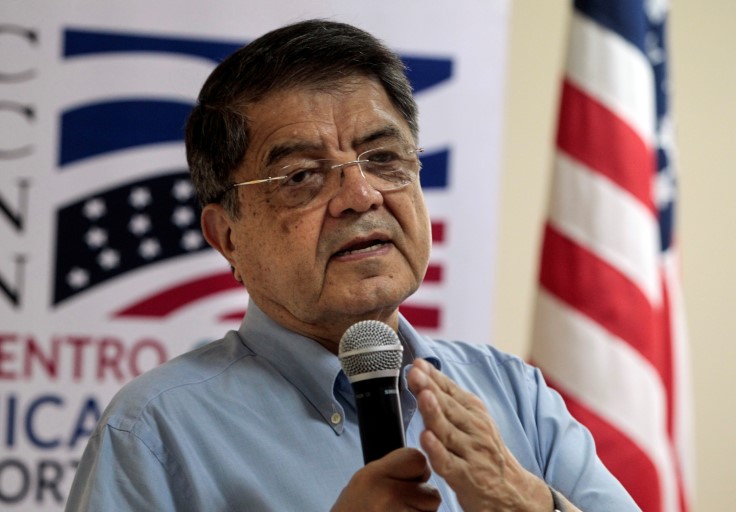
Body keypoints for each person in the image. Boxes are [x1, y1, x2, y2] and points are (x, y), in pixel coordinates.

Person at [65, 19, 639, 511]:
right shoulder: (155, 432)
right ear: (227, 237)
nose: (360, 195)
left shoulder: (513, 394)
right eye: (301, 176)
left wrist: (529, 502)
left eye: (384, 158)